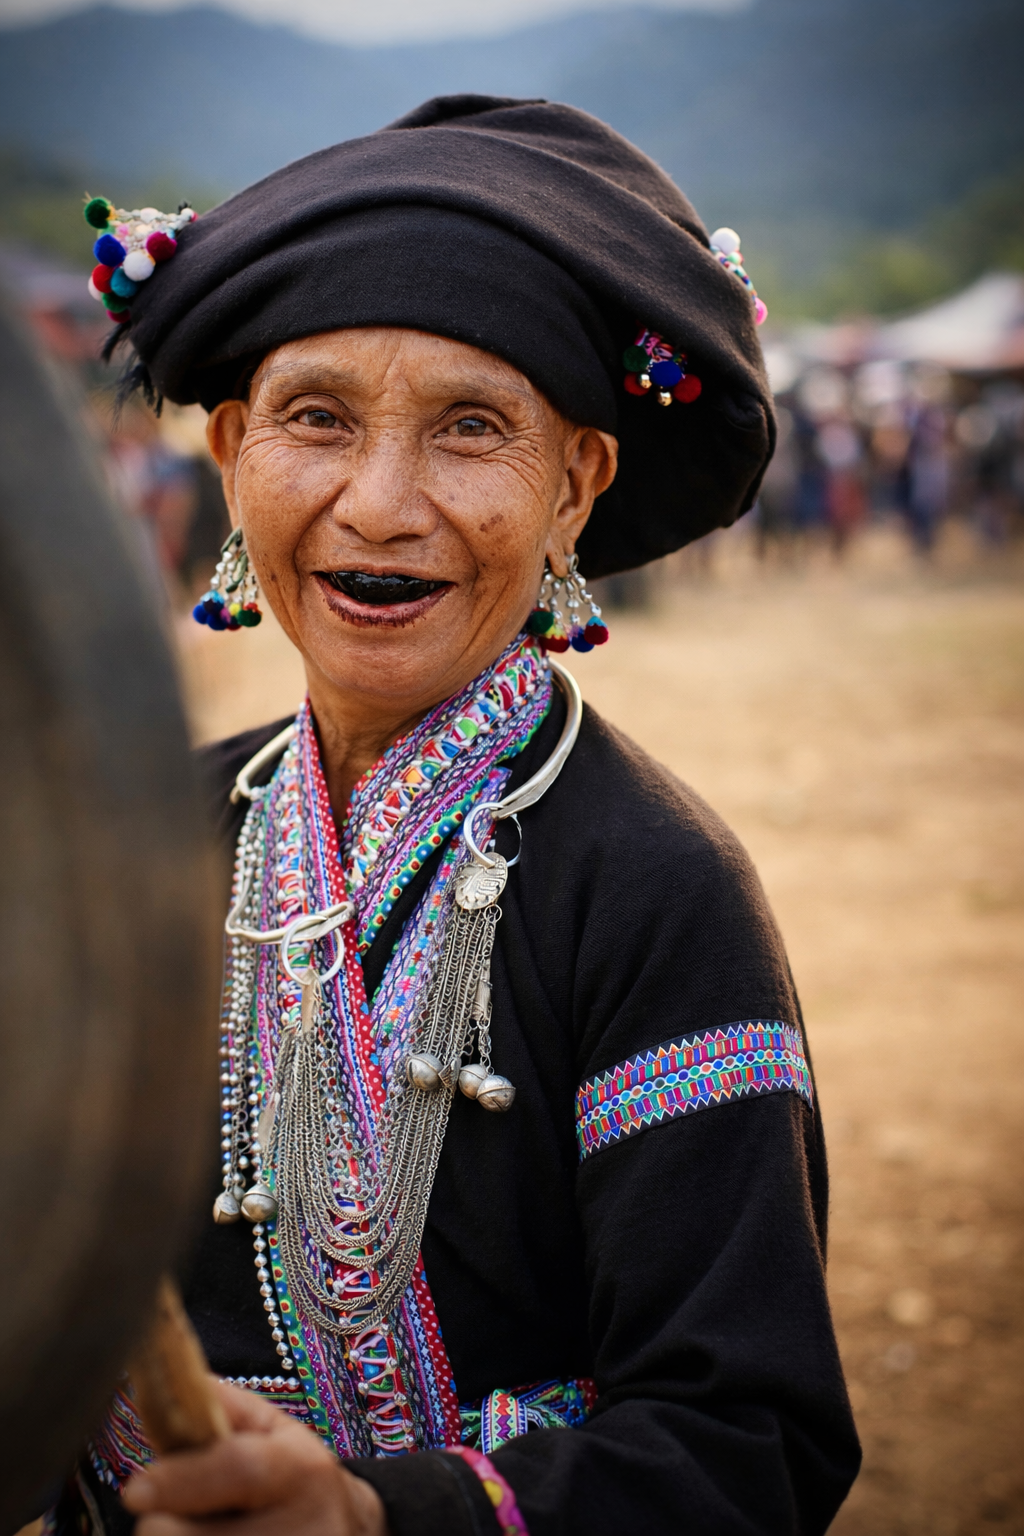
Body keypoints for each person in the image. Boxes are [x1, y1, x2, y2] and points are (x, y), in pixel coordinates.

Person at [67, 96, 860, 1536]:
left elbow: (750, 1446)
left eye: (472, 429)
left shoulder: (655, 890)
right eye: (316, 419)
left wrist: (378, 1519)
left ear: (576, 488)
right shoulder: (146, 850)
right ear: (233, 456)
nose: (379, 503)